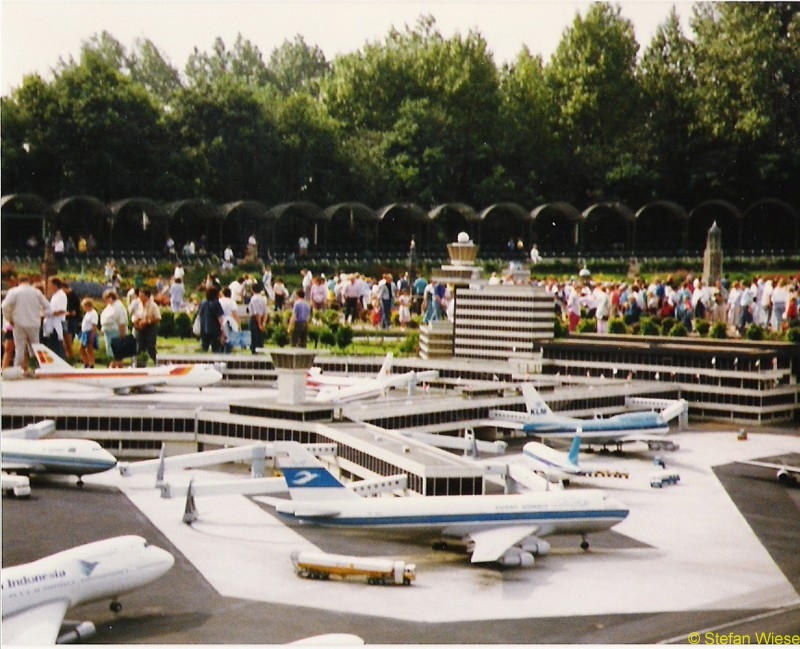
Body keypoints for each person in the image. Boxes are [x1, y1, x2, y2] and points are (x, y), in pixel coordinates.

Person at [1, 275, 50, 371]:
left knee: (19, 349)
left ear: (18, 281)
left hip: (18, 323)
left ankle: (16, 370)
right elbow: (47, 306)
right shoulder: (36, 292)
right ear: (29, 281)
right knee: (36, 347)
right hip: (34, 323)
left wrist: (9, 318)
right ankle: (43, 368)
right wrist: (40, 315)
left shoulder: (14, 291)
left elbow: (5, 306)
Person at [130, 288, 161, 365]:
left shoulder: (153, 305)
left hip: (149, 328)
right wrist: (136, 321)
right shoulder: (137, 305)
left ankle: (153, 363)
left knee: (150, 347)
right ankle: (139, 363)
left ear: (147, 296)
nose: (139, 298)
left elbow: (158, 318)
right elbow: (133, 315)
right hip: (139, 328)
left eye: (141, 296)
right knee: (138, 347)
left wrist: (148, 321)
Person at [100, 290, 128, 368]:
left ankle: (114, 367)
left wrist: (122, 335)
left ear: (110, 298)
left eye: (105, 298)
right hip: (108, 333)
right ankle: (115, 367)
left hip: (116, 332)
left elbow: (122, 321)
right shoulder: (109, 306)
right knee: (112, 353)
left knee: (117, 354)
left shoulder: (119, 306)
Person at [198, 287, 225, 352]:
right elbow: (220, 318)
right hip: (214, 330)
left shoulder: (203, 303)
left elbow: (199, 314)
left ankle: (203, 361)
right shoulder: (216, 303)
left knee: (204, 348)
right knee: (216, 349)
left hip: (204, 329)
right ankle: (216, 362)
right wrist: (223, 329)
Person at [248, 282, 268, 354]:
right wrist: (263, 323)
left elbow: (257, 313)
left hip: (255, 319)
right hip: (262, 318)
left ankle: (254, 353)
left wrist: (259, 324)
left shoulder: (254, 299)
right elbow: (265, 312)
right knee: (260, 338)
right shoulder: (263, 298)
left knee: (254, 338)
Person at [78, 297, 98, 368]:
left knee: (89, 349)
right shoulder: (87, 313)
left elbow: (94, 325)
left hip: (89, 332)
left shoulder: (93, 313)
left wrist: (92, 335)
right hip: (84, 332)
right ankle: (86, 363)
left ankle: (91, 364)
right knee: (81, 349)